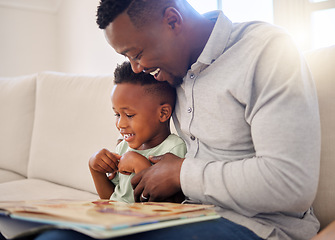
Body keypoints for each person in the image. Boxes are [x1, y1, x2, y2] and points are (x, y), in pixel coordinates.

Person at [32, 0, 321, 239]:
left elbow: (291, 185)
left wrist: (179, 174)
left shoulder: (266, 51)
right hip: (177, 215)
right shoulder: (170, 74)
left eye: (138, 54)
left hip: (252, 227)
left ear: (172, 21)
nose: (137, 68)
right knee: (52, 235)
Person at [88, 61, 186, 203]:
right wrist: (95, 169)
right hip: (114, 218)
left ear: (163, 113)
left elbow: (169, 206)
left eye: (129, 115)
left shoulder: (174, 149)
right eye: (117, 114)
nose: (120, 124)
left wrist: (140, 166)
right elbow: (113, 199)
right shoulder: (123, 146)